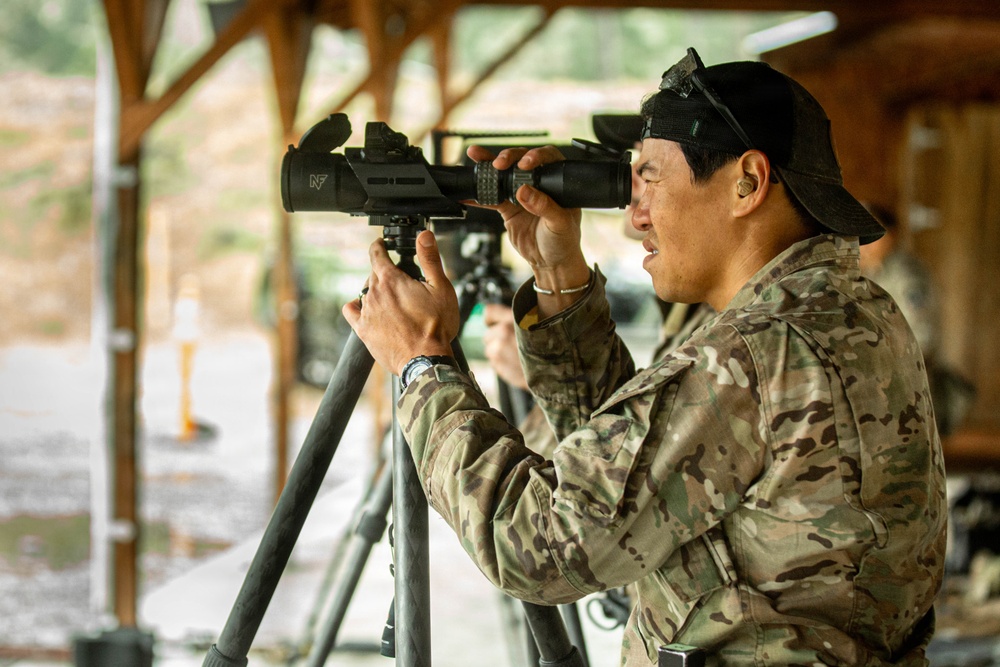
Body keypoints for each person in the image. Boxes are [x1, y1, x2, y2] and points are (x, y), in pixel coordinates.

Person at [342, 48, 947, 665]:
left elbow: (541, 546)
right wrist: (558, 275)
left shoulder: (761, 352)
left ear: (748, 182)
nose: (634, 217)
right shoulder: (850, 308)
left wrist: (424, 366)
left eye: (651, 179)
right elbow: (626, 466)